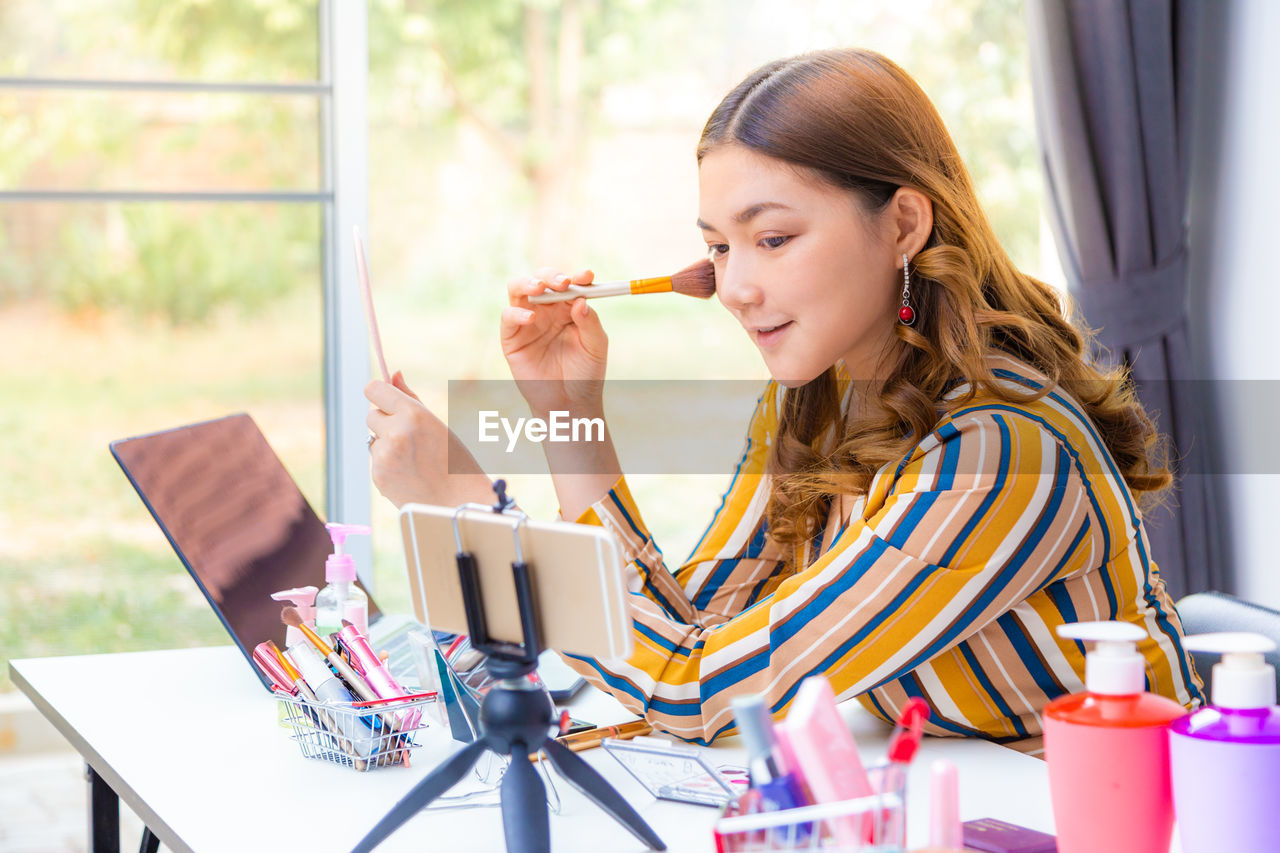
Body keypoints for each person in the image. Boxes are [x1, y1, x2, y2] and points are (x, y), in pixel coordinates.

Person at [365, 48, 1203, 751]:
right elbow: (699, 632)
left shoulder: (1000, 455)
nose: (733, 287)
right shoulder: (816, 401)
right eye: (719, 248)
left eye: (773, 239)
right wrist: (565, 412)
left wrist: (473, 510)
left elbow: (698, 693)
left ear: (905, 223)